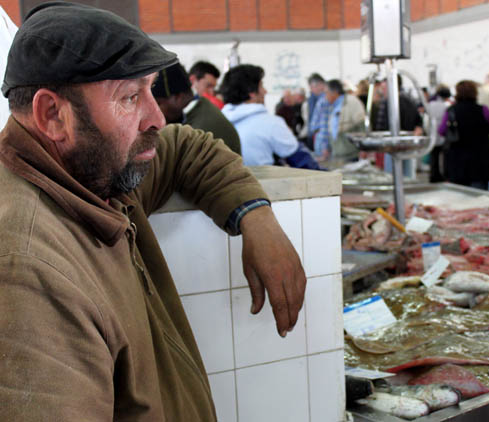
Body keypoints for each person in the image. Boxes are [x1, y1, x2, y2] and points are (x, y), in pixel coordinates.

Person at [0, 3, 306, 421]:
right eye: (130, 97)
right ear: (53, 115)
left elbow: (185, 147)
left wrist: (256, 216)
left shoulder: (93, 174)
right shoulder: (30, 271)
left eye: (151, 90)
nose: (156, 117)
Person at [221, 64, 320, 169]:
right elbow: (302, 161)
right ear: (251, 93)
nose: (265, 91)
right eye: (261, 86)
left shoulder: (219, 123)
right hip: (263, 184)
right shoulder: (270, 123)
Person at [151, 62, 241, 154]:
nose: (155, 111)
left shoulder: (198, 131)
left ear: (178, 97)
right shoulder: (198, 111)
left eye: (158, 103)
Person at [438, 80, 489, 190]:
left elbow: (441, 131)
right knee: (479, 195)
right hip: (480, 161)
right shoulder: (483, 110)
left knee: (460, 195)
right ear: (475, 93)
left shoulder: (451, 111)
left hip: (457, 161)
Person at [308, 79, 366, 162]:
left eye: (326, 93)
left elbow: (361, 126)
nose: (325, 96)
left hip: (352, 154)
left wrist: (363, 149)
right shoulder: (332, 106)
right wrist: (326, 147)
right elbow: (328, 129)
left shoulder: (352, 102)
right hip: (338, 154)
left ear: (334, 92)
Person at [427, 84, 452, 182]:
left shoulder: (430, 105)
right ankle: (444, 175)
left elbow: (427, 120)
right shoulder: (446, 106)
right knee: (444, 157)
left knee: (434, 156)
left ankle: (434, 175)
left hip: (432, 134)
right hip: (443, 134)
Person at [300, 73, 326, 150]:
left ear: (321, 85)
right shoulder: (312, 99)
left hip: (321, 136)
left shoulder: (325, 99)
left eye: (312, 87)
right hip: (314, 135)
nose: (311, 89)